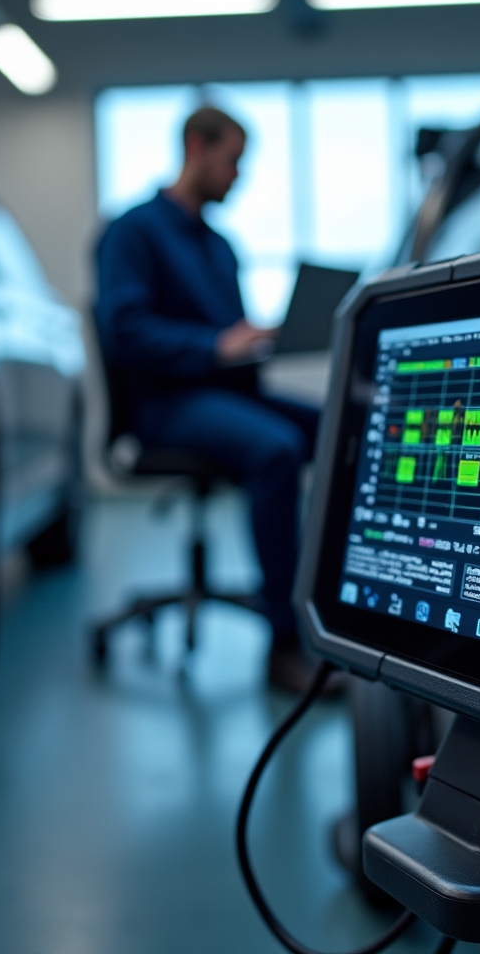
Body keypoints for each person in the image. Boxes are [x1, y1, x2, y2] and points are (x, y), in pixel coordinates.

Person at [95, 106, 321, 692]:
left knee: (345, 426)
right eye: (232, 161)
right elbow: (125, 331)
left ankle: (340, 607)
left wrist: (264, 338)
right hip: (166, 405)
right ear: (197, 146)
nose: (238, 176)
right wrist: (216, 344)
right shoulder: (132, 231)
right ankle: (284, 644)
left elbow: (232, 337)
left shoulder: (221, 246)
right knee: (275, 450)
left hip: (228, 391)